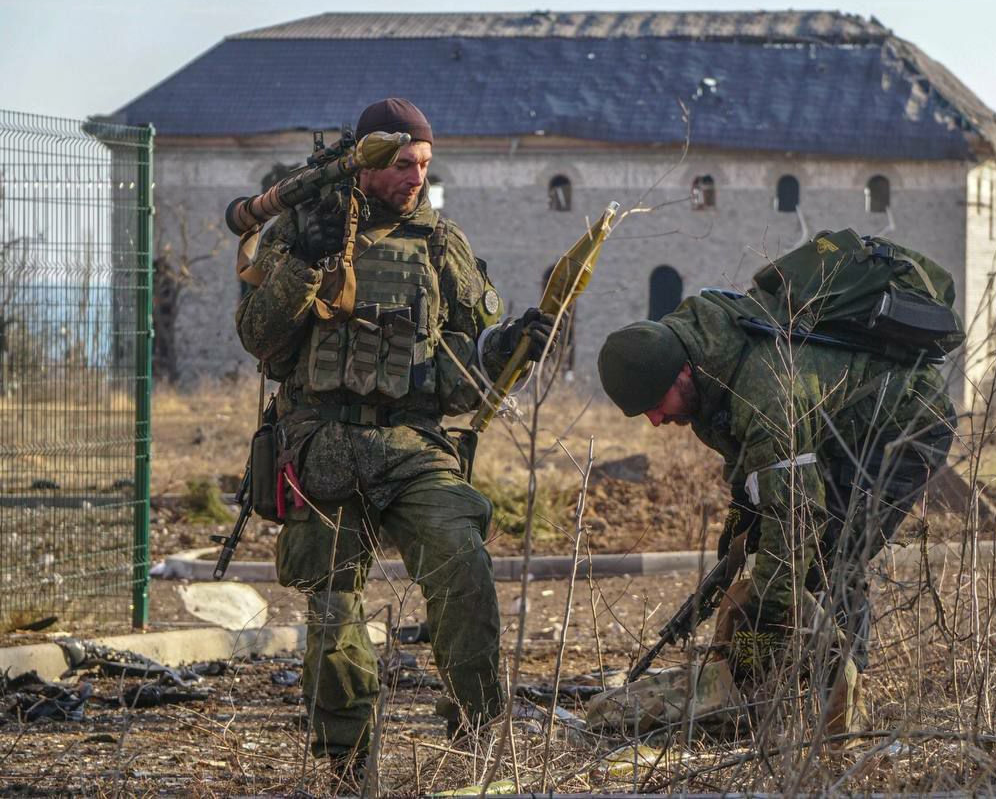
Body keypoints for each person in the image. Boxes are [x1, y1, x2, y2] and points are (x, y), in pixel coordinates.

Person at [235, 98, 553, 776]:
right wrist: (303, 264)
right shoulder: (303, 228)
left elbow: (462, 383)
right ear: (366, 162)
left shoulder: (441, 245)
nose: (416, 177)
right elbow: (259, 338)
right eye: (403, 163)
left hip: (412, 443)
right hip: (322, 442)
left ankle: (472, 735)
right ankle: (350, 767)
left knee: (462, 563)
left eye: (425, 164)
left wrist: (507, 351)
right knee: (332, 606)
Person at [593, 279, 954, 736]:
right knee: (793, 563)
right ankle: (787, 692)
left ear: (681, 373)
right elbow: (749, 471)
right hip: (832, 428)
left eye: (655, 405)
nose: (657, 420)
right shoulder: (702, 374)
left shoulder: (762, 392)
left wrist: (762, 625)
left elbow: (795, 519)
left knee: (833, 557)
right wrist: (738, 539)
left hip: (904, 424)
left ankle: (839, 714)